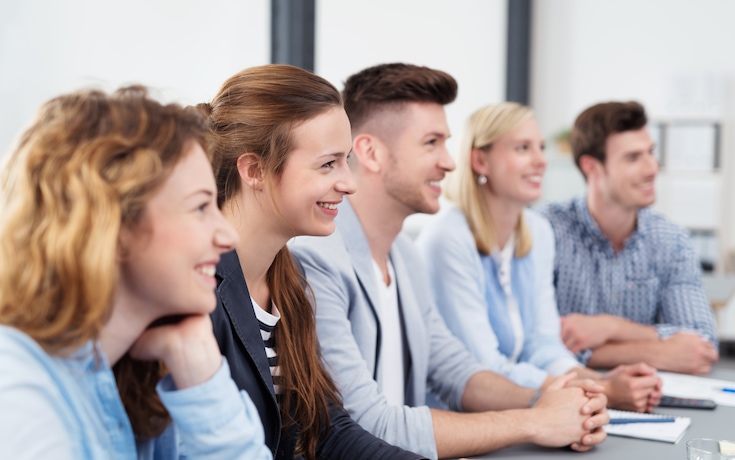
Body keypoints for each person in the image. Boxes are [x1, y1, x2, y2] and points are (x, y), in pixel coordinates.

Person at [290, 63, 609, 460]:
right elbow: (367, 424)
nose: (449, 161)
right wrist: (535, 421)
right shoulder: (314, 258)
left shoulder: (404, 254)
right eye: (431, 143)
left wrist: (551, 399)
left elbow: (455, 370)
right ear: (371, 152)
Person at [0, 86, 270, 459]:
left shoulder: (133, 377)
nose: (226, 235)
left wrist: (199, 366)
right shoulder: (17, 390)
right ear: (111, 224)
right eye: (200, 207)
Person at [200, 64, 424, 460]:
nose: (348, 183)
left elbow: (325, 427)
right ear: (254, 170)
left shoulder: (289, 279)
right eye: (328, 164)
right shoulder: (200, 290)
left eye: (346, 161)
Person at [415, 102, 663, 413]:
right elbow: (483, 367)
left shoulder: (537, 231)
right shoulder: (448, 239)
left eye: (541, 148)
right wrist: (600, 390)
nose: (540, 161)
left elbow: (542, 344)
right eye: (522, 148)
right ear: (480, 160)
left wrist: (590, 378)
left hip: (523, 409)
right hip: (460, 423)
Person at [538, 101, 719, 375]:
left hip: (649, 401)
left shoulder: (671, 240)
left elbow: (702, 346)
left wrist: (609, 327)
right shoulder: (545, 231)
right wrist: (662, 350)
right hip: (566, 401)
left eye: (650, 152)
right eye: (633, 158)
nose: (651, 168)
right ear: (592, 167)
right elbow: (535, 344)